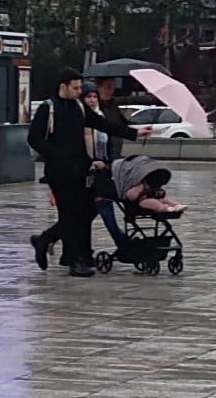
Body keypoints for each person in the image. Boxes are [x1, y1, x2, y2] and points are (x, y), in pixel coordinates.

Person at [28, 68, 146, 277]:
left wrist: (133, 133)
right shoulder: (49, 108)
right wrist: (56, 155)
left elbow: (102, 123)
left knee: (86, 212)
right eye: (75, 88)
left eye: (80, 87)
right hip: (59, 172)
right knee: (70, 214)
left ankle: (45, 240)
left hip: (82, 170)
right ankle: (75, 260)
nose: (79, 91)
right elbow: (34, 138)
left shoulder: (79, 107)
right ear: (63, 86)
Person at [82, 83, 128, 249]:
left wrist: (109, 163)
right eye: (89, 97)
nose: (93, 100)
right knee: (102, 207)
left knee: (88, 214)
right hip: (86, 174)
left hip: (103, 171)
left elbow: (111, 140)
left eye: (95, 97)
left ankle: (49, 238)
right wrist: (92, 161)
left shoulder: (102, 117)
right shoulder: (79, 120)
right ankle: (122, 243)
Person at [95, 77, 129, 160]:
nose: (111, 91)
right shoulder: (94, 106)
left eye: (113, 88)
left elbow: (120, 124)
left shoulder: (113, 104)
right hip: (102, 147)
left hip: (115, 146)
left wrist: (126, 119)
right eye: (108, 88)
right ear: (98, 88)